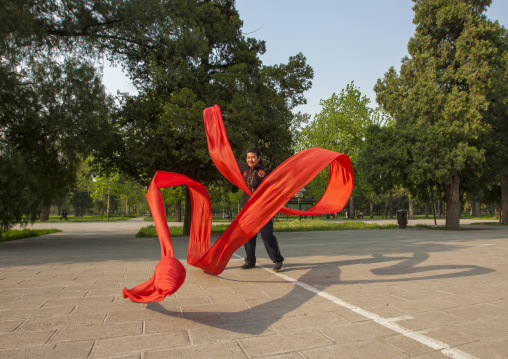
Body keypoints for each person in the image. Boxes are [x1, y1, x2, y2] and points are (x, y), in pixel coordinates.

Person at [238, 148, 284, 271]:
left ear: (259, 158)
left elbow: (274, 187)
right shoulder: (244, 168)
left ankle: (277, 259)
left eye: (253, 157)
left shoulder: (266, 171)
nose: (250, 160)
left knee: (266, 234)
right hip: (248, 208)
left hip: (264, 209)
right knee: (248, 235)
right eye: (248, 157)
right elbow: (229, 161)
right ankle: (250, 260)